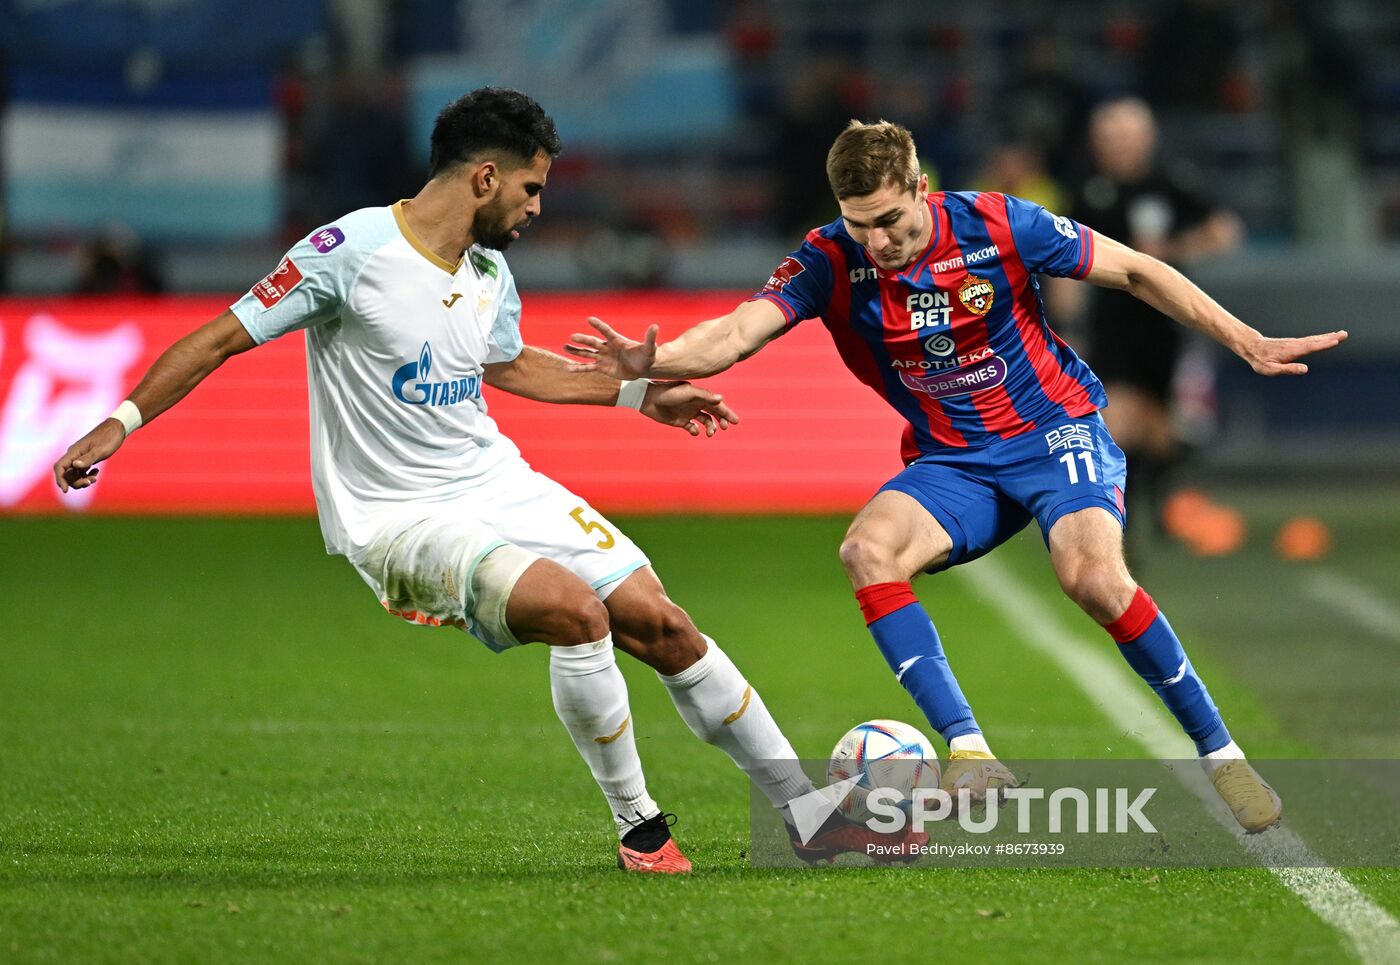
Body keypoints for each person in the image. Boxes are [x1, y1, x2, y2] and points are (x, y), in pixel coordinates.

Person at [52, 89, 922, 872]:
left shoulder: (488, 272)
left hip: (494, 481)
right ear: (483, 176)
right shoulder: (346, 251)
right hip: (398, 516)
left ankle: (806, 814)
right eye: (532, 189)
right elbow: (217, 337)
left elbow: (511, 368)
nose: (538, 208)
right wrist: (119, 423)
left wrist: (640, 396)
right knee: (576, 613)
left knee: (662, 621)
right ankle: (641, 829)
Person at [566, 119, 1346, 833]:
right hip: (954, 461)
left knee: (1093, 579)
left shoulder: (999, 223)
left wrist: (1246, 339)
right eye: (859, 222)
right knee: (866, 551)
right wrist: (655, 360)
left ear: (920, 190)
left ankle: (1222, 756)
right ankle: (971, 751)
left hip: (1054, 431)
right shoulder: (827, 259)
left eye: (893, 221)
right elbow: (738, 332)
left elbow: (1139, 269)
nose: (879, 240)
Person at [1066, 97, 1244, 546]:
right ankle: (1120, 522)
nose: (1118, 146)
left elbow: (1225, 231)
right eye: (1109, 138)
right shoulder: (1086, 190)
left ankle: (1162, 507)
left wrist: (1172, 253)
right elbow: (1061, 262)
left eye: (1127, 137)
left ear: (1147, 139)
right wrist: (1067, 324)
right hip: (1113, 328)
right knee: (1120, 420)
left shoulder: (1172, 183)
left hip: (1169, 326)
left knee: (1166, 429)